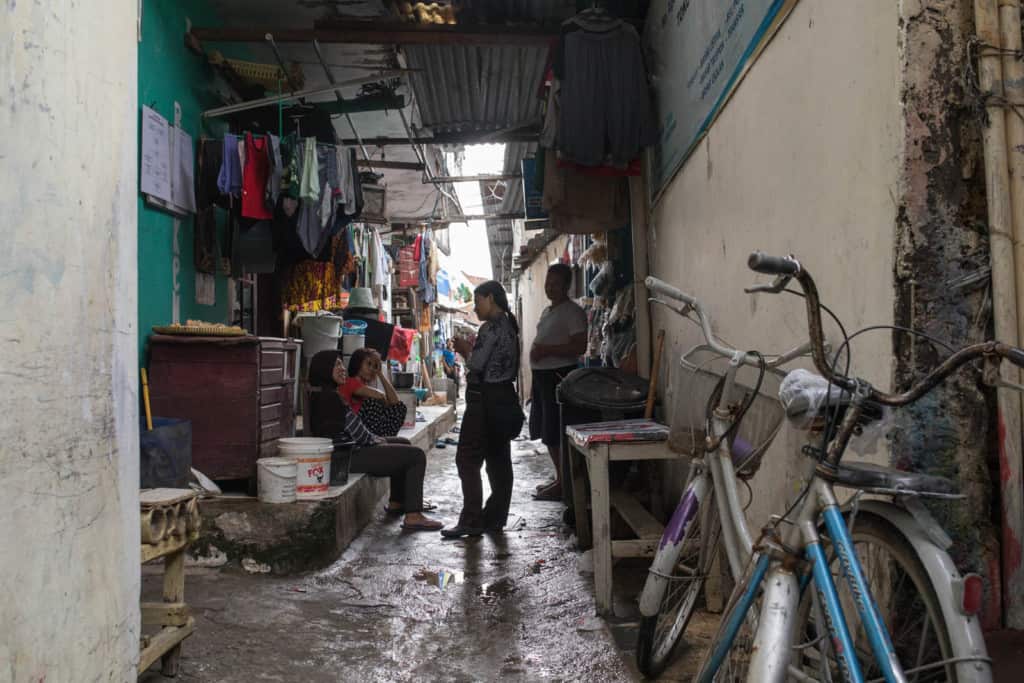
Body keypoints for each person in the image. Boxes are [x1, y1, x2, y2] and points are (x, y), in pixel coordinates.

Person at [308, 350, 443, 532]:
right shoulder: (331, 398)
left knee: (403, 442)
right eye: (336, 365)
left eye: (341, 364)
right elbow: (357, 434)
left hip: (350, 449)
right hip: (347, 457)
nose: (342, 369)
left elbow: (355, 429)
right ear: (324, 370)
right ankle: (413, 515)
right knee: (416, 456)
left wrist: (375, 439)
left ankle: (397, 502)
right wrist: (375, 441)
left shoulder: (328, 394)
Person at [441, 280, 523, 538]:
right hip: (504, 397)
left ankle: (472, 519)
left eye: (477, 302)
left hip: (485, 400)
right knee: (499, 460)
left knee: (467, 459)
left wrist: (466, 349)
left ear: (491, 298)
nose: (475, 308)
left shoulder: (490, 328)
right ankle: (495, 518)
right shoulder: (510, 325)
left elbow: (477, 364)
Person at [529, 263, 588, 501]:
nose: (550, 288)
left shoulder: (573, 312)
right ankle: (560, 478)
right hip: (543, 377)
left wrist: (546, 351)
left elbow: (579, 347)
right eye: (547, 283)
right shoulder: (548, 311)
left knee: (556, 431)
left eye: (555, 283)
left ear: (566, 285)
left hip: (560, 376)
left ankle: (565, 484)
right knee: (547, 430)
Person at [339, 348, 407, 437]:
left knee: (400, 408)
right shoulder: (350, 382)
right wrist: (385, 401)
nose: (372, 369)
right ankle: (377, 440)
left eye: (375, 366)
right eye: (368, 364)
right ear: (358, 364)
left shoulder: (367, 386)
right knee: (373, 402)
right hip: (352, 429)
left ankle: (384, 438)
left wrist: (380, 374)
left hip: (367, 428)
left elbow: (395, 402)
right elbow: (379, 396)